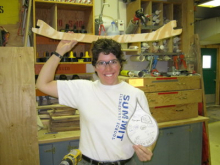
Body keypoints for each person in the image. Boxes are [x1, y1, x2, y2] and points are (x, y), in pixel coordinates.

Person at [36, 38, 156, 165]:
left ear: (120, 63)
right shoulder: (83, 89)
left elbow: (148, 131)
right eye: (101, 63)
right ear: (95, 67)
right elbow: (43, 84)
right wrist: (59, 52)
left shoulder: (136, 94)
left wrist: (148, 149)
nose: (108, 68)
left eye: (113, 61)